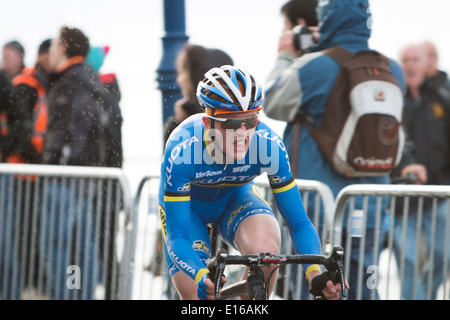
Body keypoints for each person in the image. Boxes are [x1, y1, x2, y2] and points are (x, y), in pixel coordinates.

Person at [158, 65, 347, 300]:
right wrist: (199, 275)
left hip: (234, 200)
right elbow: (177, 237)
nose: (243, 133)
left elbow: (298, 222)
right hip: (190, 210)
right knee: (198, 297)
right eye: (231, 124)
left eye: (250, 120)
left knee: (266, 255)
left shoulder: (268, 146)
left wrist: (315, 274)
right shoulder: (182, 150)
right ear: (209, 124)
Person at [263, 0, 406, 300]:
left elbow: (273, 101)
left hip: (318, 204)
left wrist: (287, 55)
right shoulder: (393, 69)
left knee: (312, 282)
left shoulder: (314, 66)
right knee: (364, 281)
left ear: (327, 18)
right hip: (371, 200)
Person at [41, 26, 104, 299]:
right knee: (82, 248)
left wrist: (53, 162)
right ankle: (81, 294)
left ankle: (68, 295)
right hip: (87, 179)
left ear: (64, 47)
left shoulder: (68, 83)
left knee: (56, 246)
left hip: (65, 177)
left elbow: (67, 132)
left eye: (54, 45)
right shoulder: (91, 80)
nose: (51, 51)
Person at [391, 43, 450, 300]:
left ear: (427, 65)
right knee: (409, 261)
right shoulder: (392, 100)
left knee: (442, 256)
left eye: (416, 59)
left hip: (441, 194)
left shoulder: (441, 96)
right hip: (404, 200)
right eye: (405, 59)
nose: (410, 64)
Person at [163, 44, 233, 145]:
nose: (178, 79)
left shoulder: (187, 118)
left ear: (195, 75)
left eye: (183, 71)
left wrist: (178, 123)